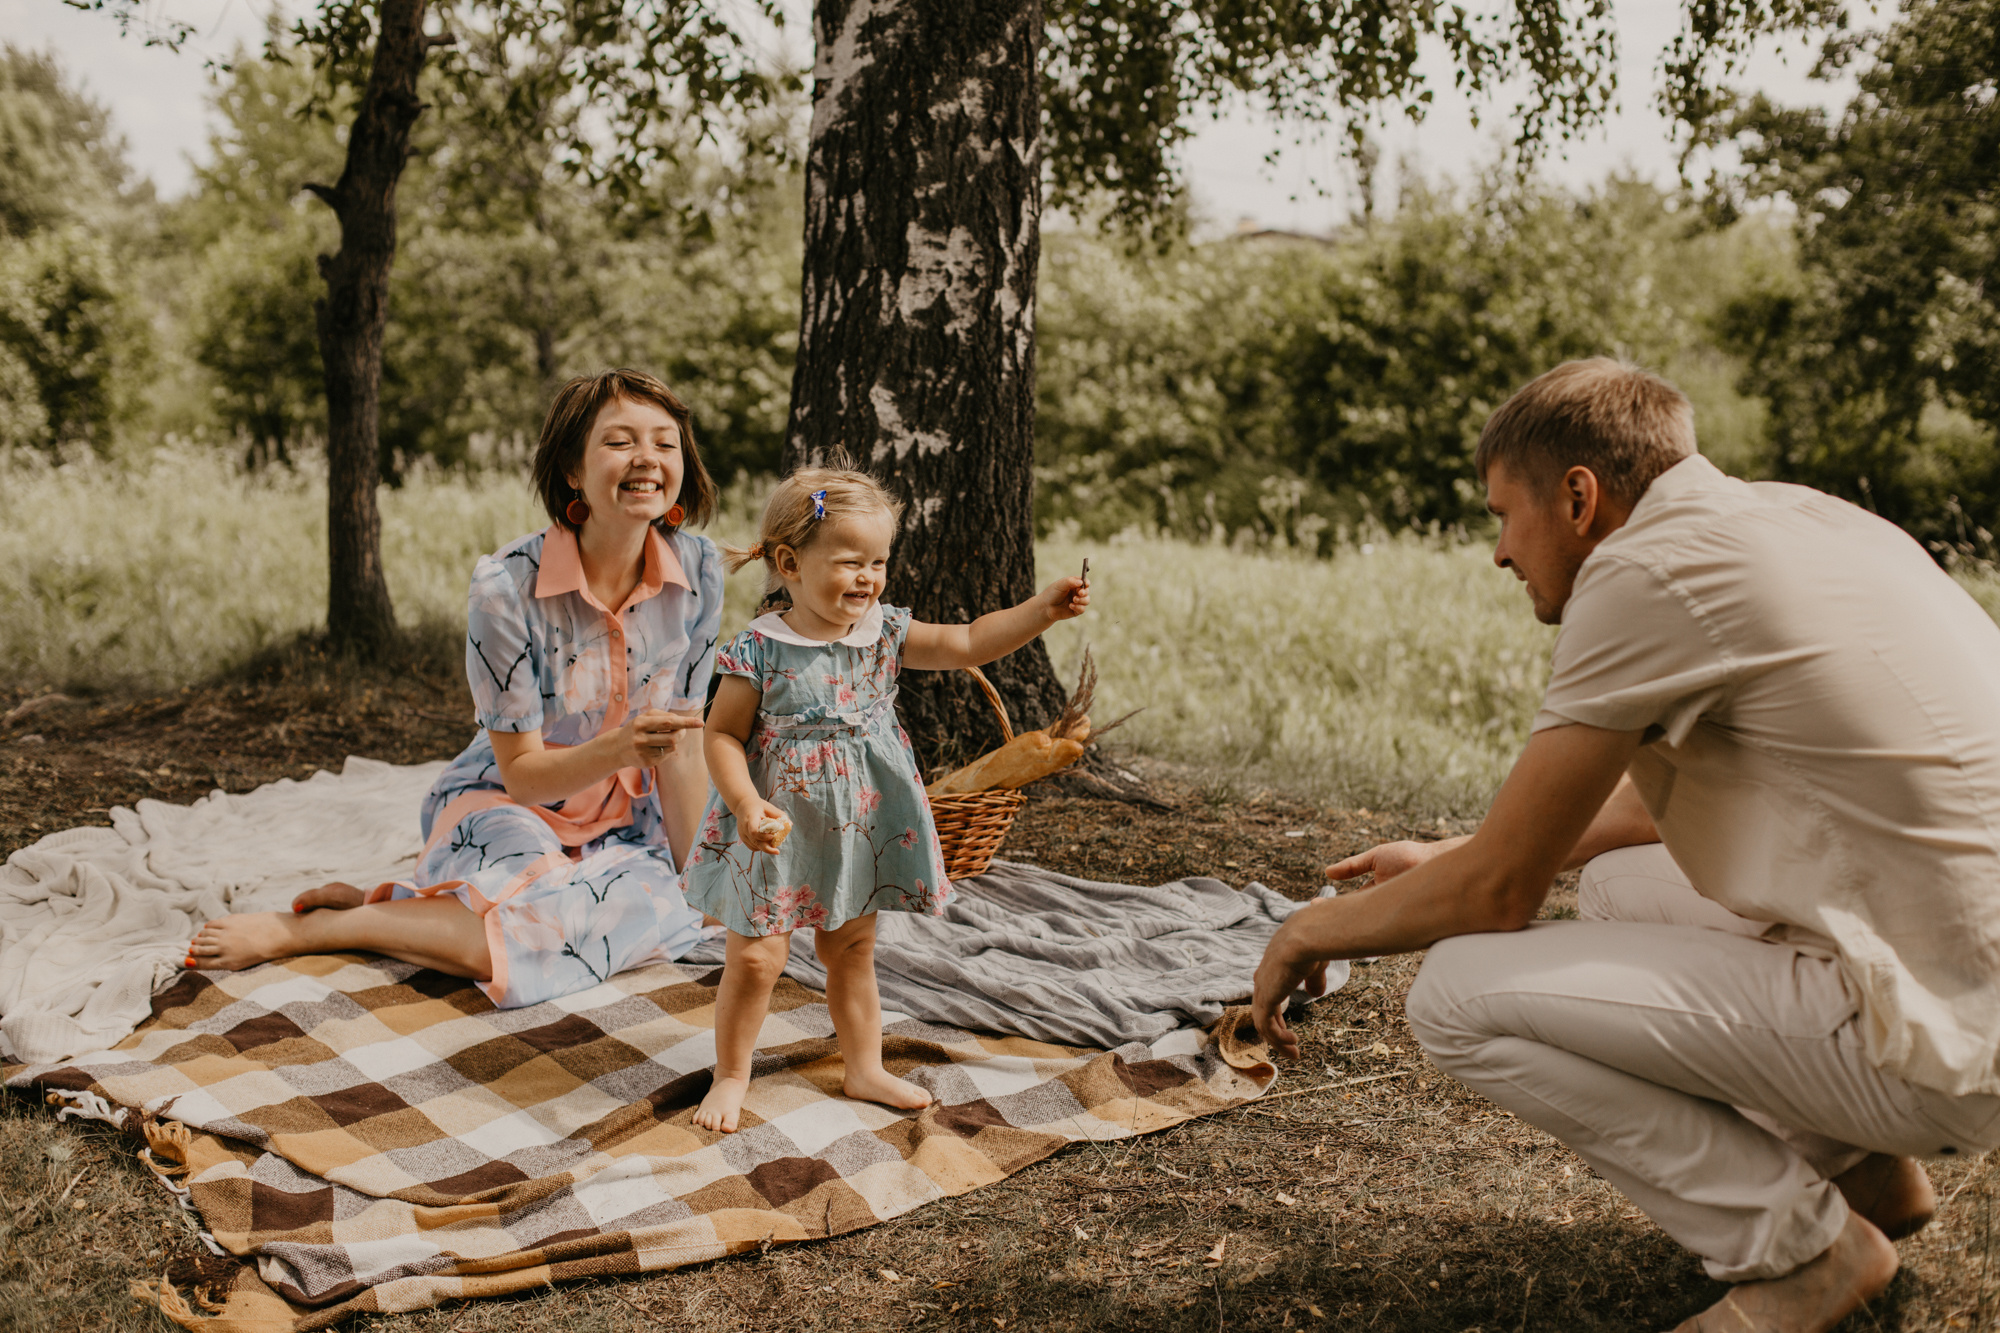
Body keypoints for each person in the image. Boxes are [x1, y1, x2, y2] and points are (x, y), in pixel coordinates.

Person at [1249, 358, 2000, 1333]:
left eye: (1498, 515)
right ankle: (1867, 1178)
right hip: (1961, 989)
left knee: (1458, 994)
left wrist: (1309, 931)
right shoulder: (1803, 520)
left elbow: (1497, 899)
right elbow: (1664, 811)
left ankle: (1803, 1258)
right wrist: (1447, 852)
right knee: (1618, 886)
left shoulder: (1644, 572)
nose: (1497, 553)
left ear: (1577, 495)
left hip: (1946, 1045)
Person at [187, 369, 723, 1007]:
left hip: (628, 822)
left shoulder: (699, 569)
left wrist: (703, 886)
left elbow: (684, 749)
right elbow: (522, 774)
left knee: (678, 907)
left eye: (665, 443)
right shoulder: (504, 586)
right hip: (508, 805)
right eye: (619, 442)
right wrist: (622, 749)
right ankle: (324, 930)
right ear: (573, 470)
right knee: (551, 924)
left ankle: (400, 906)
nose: (648, 460)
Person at [683, 468, 1090, 1132]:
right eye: (849, 562)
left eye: (878, 561)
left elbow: (968, 641)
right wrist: (746, 804)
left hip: (857, 828)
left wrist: (1042, 609)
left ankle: (863, 1065)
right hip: (776, 825)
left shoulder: (883, 632)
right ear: (789, 563)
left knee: (853, 948)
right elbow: (722, 734)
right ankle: (732, 1072)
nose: (868, 576)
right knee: (758, 955)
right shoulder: (759, 650)